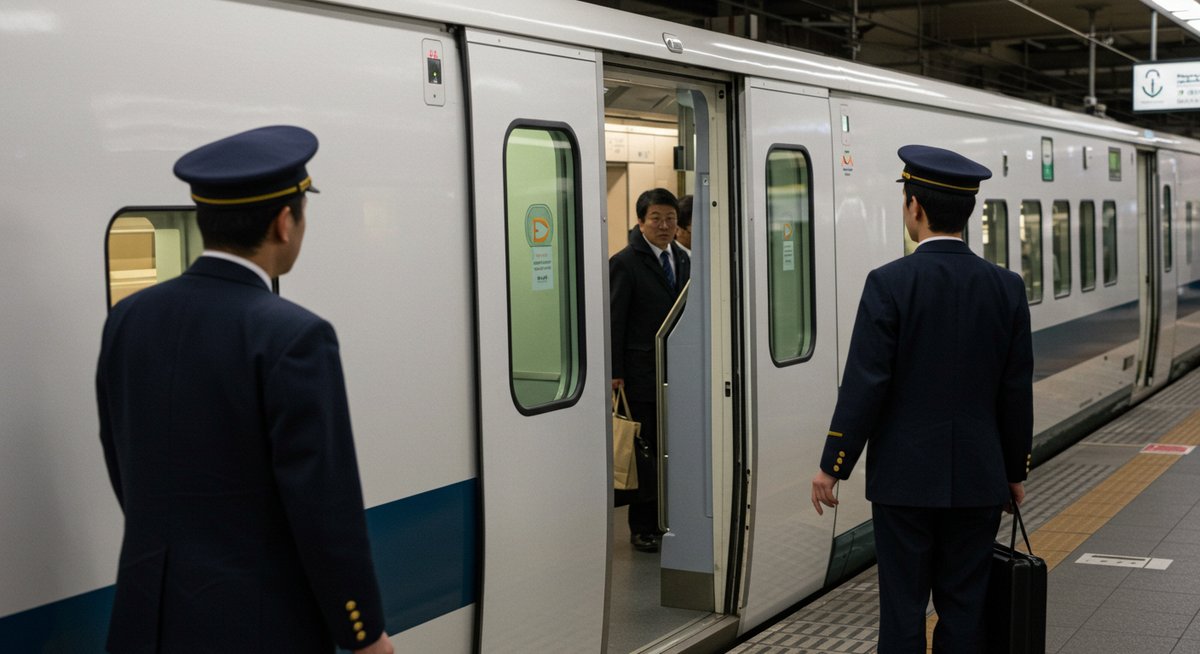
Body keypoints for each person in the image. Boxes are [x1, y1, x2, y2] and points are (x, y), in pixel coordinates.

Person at [96, 126, 393, 654]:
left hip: (144, 619)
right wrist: (363, 631)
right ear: (285, 222)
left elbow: (126, 465)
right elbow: (325, 509)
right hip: (257, 627)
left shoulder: (130, 318)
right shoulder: (294, 336)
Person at [810, 145, 1033, 653]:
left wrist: (833, 464)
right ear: (969, 211)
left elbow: (867, 384)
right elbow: (1015, 391)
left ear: (914, 207)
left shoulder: (889, 284)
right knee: (965, 606)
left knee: (903, 607)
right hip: (979, 479)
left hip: (904, 483)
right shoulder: (1006, 288)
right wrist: (1013, 471)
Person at [610, 188, 691, 553]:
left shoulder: (686, 260)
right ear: (641, 221)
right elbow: (615, 320)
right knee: (647, 452)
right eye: (656, 218)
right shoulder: (625, 263)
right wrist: (615, 372)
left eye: (670, 219)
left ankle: (672, 517)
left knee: (676, 447)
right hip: (642, 374)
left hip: (681, 371)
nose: (664, 225)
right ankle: (643, 526)